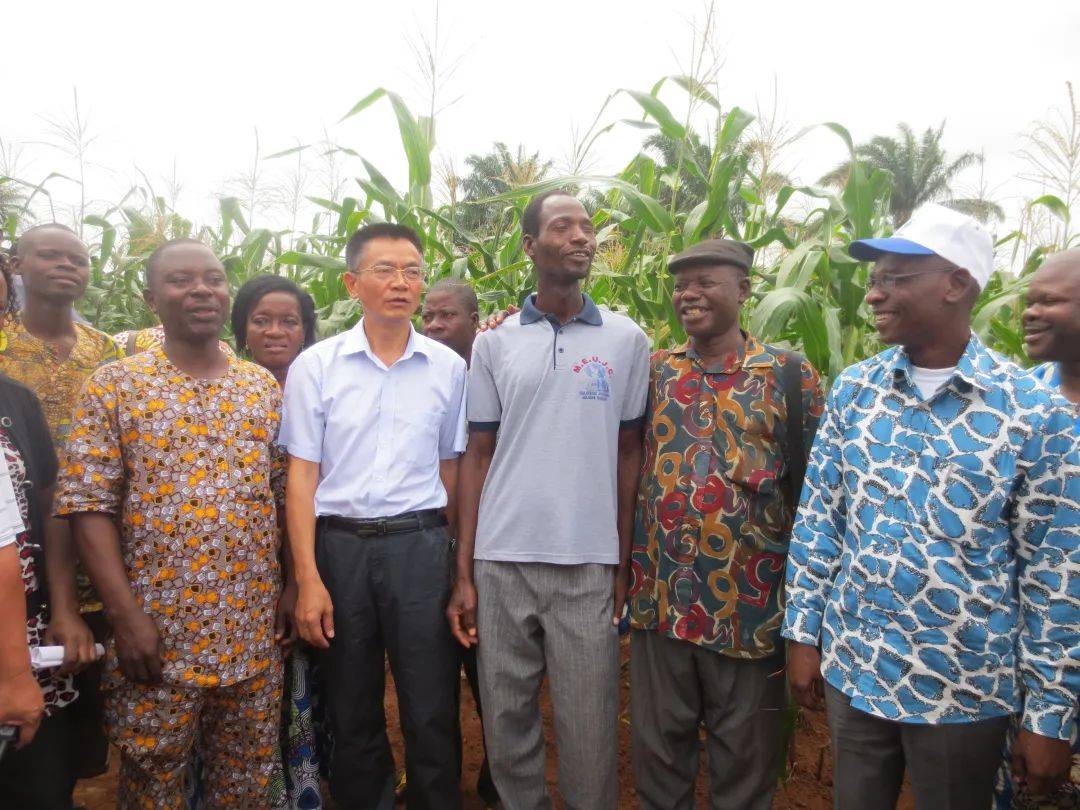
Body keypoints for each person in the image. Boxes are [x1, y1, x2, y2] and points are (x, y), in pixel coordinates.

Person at [781, 204, 1080, 810]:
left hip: (963, 688)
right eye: (872, 280)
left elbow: (1056, 577)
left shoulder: (1031, 412)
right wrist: (802, 633)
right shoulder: (856, 390)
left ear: (956, 284)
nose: (874, 295)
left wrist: (1051, 716)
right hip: (856, 667)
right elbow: (820, 519)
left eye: (894, 278)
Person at [55, 238, 286, 808]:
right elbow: (88, 506)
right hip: (157, 635)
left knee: (246, 780)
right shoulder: (116, 384)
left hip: (251, 629)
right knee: (153, 778)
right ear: (151, 298)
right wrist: (125, 616)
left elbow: (283, 495)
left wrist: (295, 585)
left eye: (213, 278)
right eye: (182, 280)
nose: (202, 289)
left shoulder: (261, 388)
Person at [449, 190, 650, 809]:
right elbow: (476, 455)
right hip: (501, 559)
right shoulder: (495, 343)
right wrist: (464, 570)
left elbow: (628, 455)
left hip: (586, 564)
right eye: (563, 227)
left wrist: (621, 559)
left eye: (588, 228)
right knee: (508, 727)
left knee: (589, 728)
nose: (582, 237)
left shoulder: (626, 340)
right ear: (531, 246)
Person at [627, 238, 824, 809]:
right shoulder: (655, 373)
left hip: (751, 618)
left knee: (744, 776)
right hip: (660, 611)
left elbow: (816, 500)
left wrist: (805, 627)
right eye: (680, 284)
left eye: (705, 282)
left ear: (743, 290)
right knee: (659, 768)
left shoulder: (788, 376)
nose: (688, 294)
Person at [281, 223, 466, 809]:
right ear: (352, 282)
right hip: (342, 549)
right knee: (352, 700)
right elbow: (302, 476)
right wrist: (308, 578)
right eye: (384, 270)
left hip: (420, 546)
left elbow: (451, 471)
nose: (401, 282)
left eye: (412, 270)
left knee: (431, 699)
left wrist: (454, 562)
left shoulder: (446, 368)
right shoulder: (318, 366)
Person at [2, 223, 114, 784]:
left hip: (98, 554)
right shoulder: (2, 349)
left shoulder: (108, 353)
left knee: (83, 714)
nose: (67, 266)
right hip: (16, 556)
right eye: (49, 255)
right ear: (17, 266)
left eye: (79, 259)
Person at [991, 247, 1080, 808]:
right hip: (1016, 691)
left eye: (1050, 301)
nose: (1029, 312)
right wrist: (1047, 714)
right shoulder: (1012, 409)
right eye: (1028, 300)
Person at [232, 273, 323, 809]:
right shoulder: (226, 387)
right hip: (245, 569)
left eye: (289, 321)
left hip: (319, 554)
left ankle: (309, 782)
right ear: (242, 329)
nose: (275, 331)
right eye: (261, 320)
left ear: (307, 330)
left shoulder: (322, 384)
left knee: (318, 676)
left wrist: (300, 575)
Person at [420, 277, 499, 808]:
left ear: (476, 320)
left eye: (447, 316)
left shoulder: (497, 369)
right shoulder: (420, 370)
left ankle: (499, 775)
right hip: (428, 544)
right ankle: (439, 781)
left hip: (487, 542)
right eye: (429, 316)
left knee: (490, 672)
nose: (434, 326)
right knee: (430, 672)